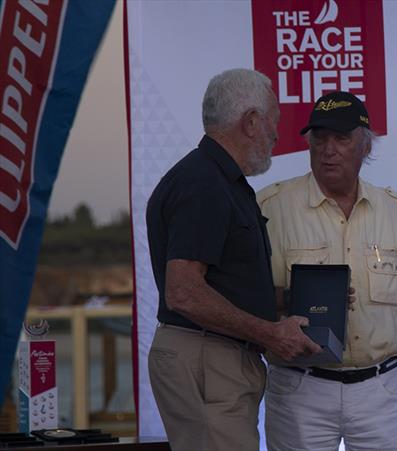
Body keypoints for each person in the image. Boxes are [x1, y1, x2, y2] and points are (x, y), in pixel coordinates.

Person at [256, 91, 397, 451]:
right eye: (320, 138)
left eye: (342, 138)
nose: (328, 149)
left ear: (365, 147)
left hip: (381, 391)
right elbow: (233, 294)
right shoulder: (269, 209)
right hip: (300, 388)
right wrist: (284, 300)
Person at [145, 68, 320, 451]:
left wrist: (287, 300)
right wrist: (270, 332)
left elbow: (217, 282)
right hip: (209, 357)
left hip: (215, 358)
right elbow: (184, 293)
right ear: (252, 121)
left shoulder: (219, 181)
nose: (277, 134)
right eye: (274, 120)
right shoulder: (203, 184)